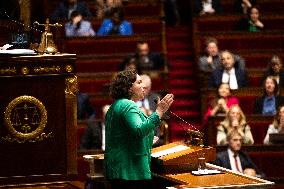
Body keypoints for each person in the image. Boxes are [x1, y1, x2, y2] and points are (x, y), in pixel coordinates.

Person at [104, 70, 174, 189]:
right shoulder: (128, 105)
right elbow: (139, 130)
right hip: (130, 171)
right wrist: (159, 111)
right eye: (139, 82)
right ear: (129, 88)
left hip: (120, 170)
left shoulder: (116, 105)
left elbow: (124, 137)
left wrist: (147, 140)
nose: (144, 86)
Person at [136, 74, 165, 147]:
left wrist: (153, 113)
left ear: (150, 88)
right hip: (136, 134)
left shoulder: (155, 98)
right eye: (142, 87)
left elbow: (166, 116)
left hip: (154, 133)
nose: (143, 90)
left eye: (146, 88)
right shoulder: (131, 99)